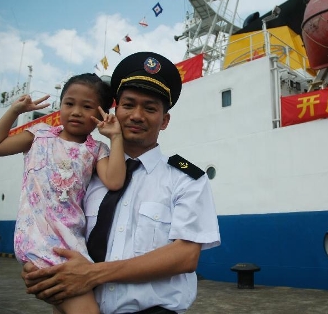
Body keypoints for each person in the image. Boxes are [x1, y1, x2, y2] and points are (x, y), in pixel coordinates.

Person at [22, 52, 221, 314]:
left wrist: (93, 274)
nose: (137, 115)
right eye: (128, 105)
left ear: (164, 121)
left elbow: (186, 256)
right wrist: (43, 270)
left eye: (150, 108)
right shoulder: (85, 172)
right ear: (115, 111)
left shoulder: (185, 179)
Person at [0, 73, 126, 314]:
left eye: (87, 106)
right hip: (39, 240)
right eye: (69, 103)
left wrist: (116, 136)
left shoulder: (95, 149)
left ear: (101, 112)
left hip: (72, 241)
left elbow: (114, 180)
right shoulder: (38, 136)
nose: (76, 111)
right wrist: (15, 111)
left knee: (64, 307)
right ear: (60, 105)